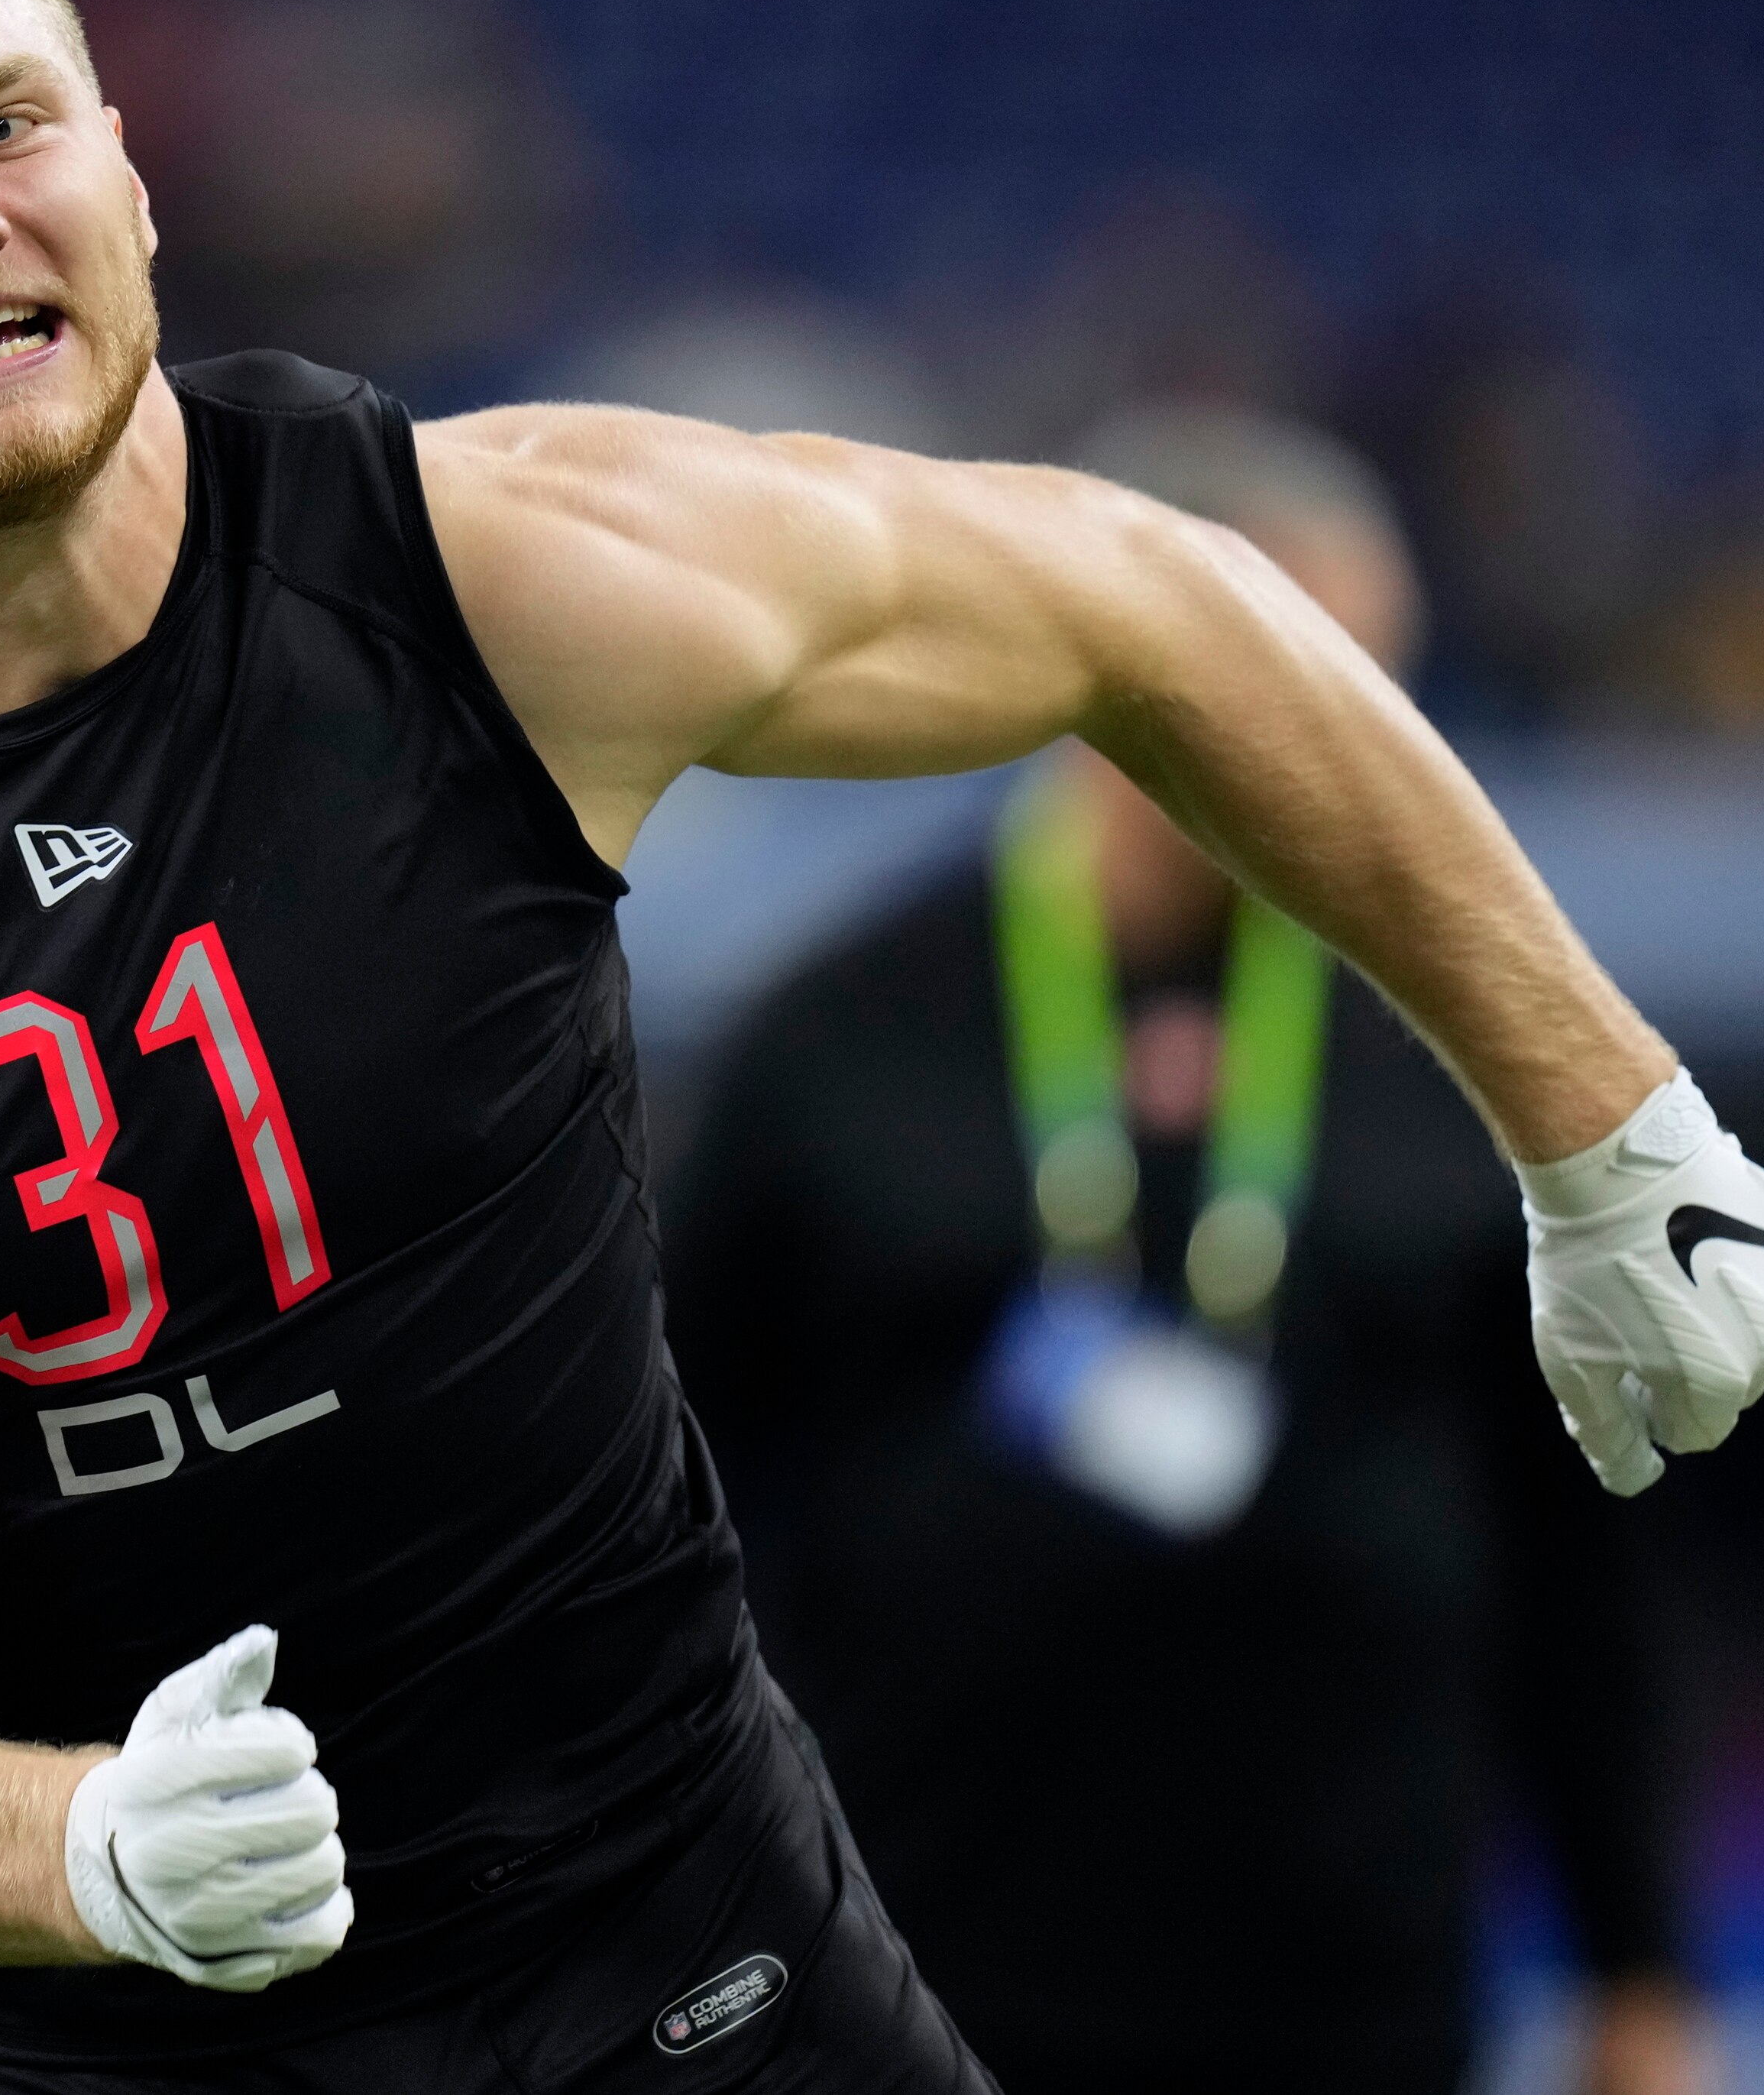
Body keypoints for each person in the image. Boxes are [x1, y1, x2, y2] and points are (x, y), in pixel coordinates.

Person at [0, 0, 1764, 2093]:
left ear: (128, 170)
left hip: (701, 1982)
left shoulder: (473, 577)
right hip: (111, 2054)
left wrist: (1611, 1127)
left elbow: (1151, 592)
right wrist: (62, 1841)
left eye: (2, 123)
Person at [665, 403, 1707, 2095]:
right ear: (1109, 666)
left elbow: (1579, 1552)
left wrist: (1642, 1963)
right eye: (1309, 698)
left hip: (1352, 1991)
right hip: (915, 1981)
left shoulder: (1469, 1048)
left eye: (1385, 704)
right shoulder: (841, 1031)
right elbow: (669, 1499)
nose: (1365, 769)